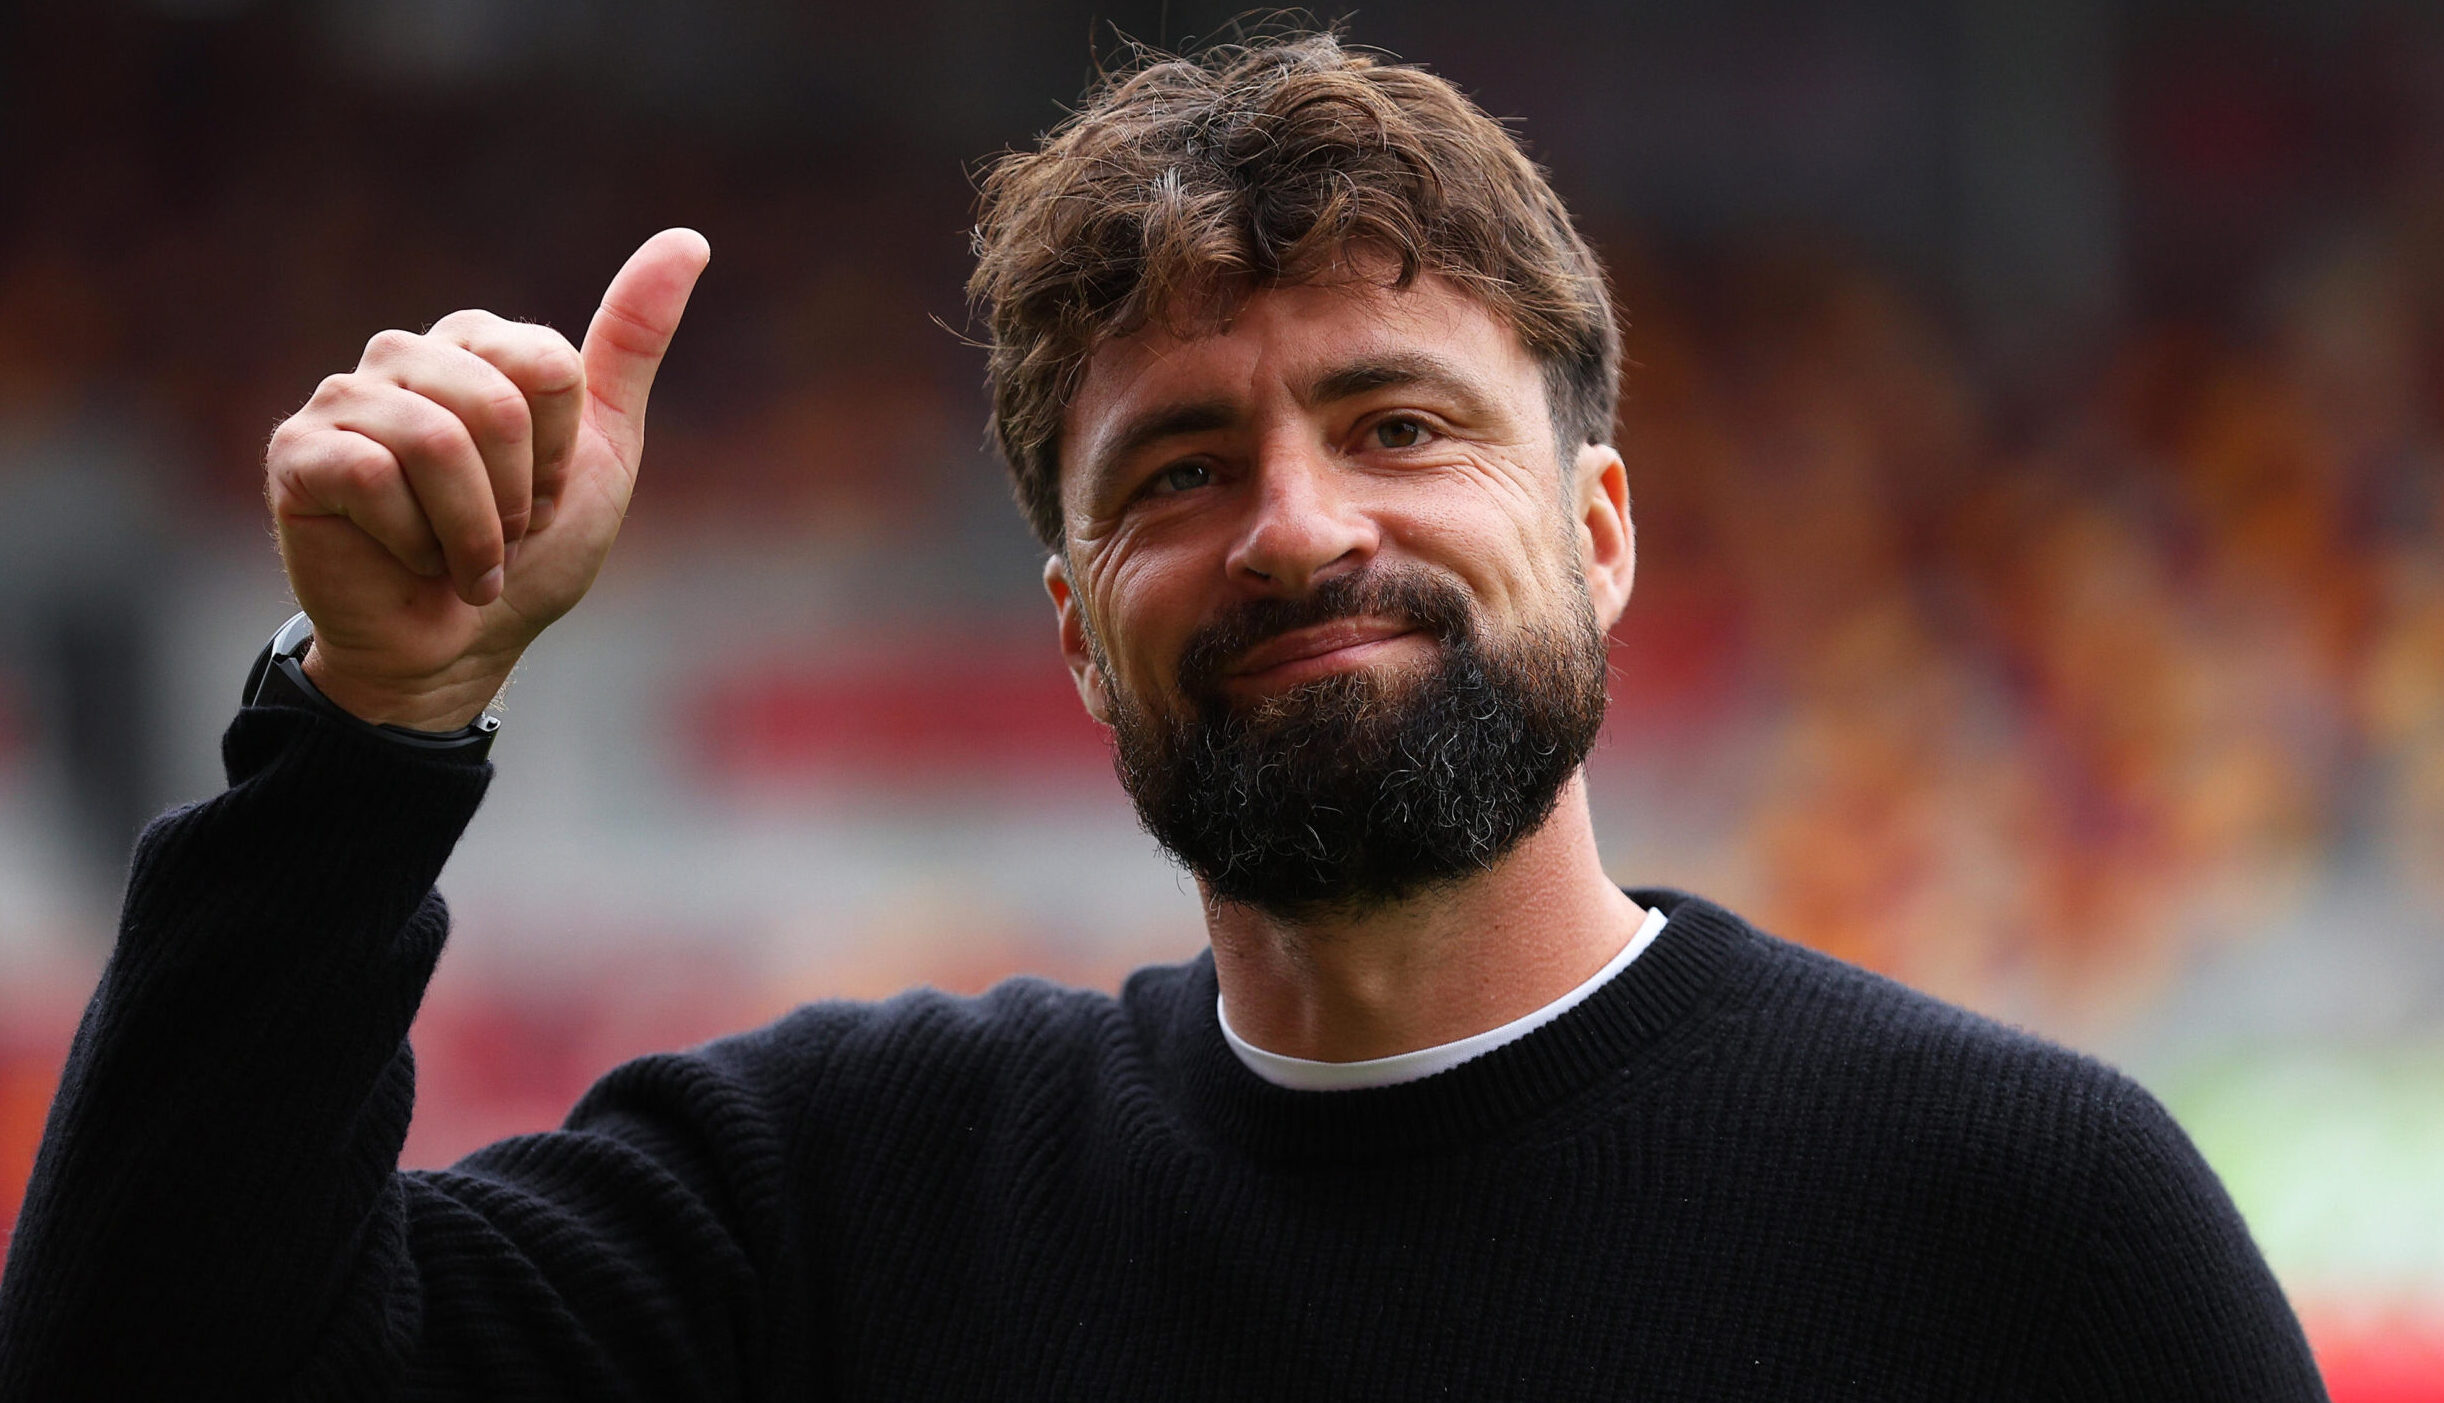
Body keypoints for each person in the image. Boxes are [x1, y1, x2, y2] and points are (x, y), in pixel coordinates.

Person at [0, 33, 2325, 1401]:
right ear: (1074, 627)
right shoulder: (834, 1205)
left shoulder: (2019, 1221)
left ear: (1599, 526)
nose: (1298, 528)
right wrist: (376, 721)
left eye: (1400, 424)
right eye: (1182, 471)